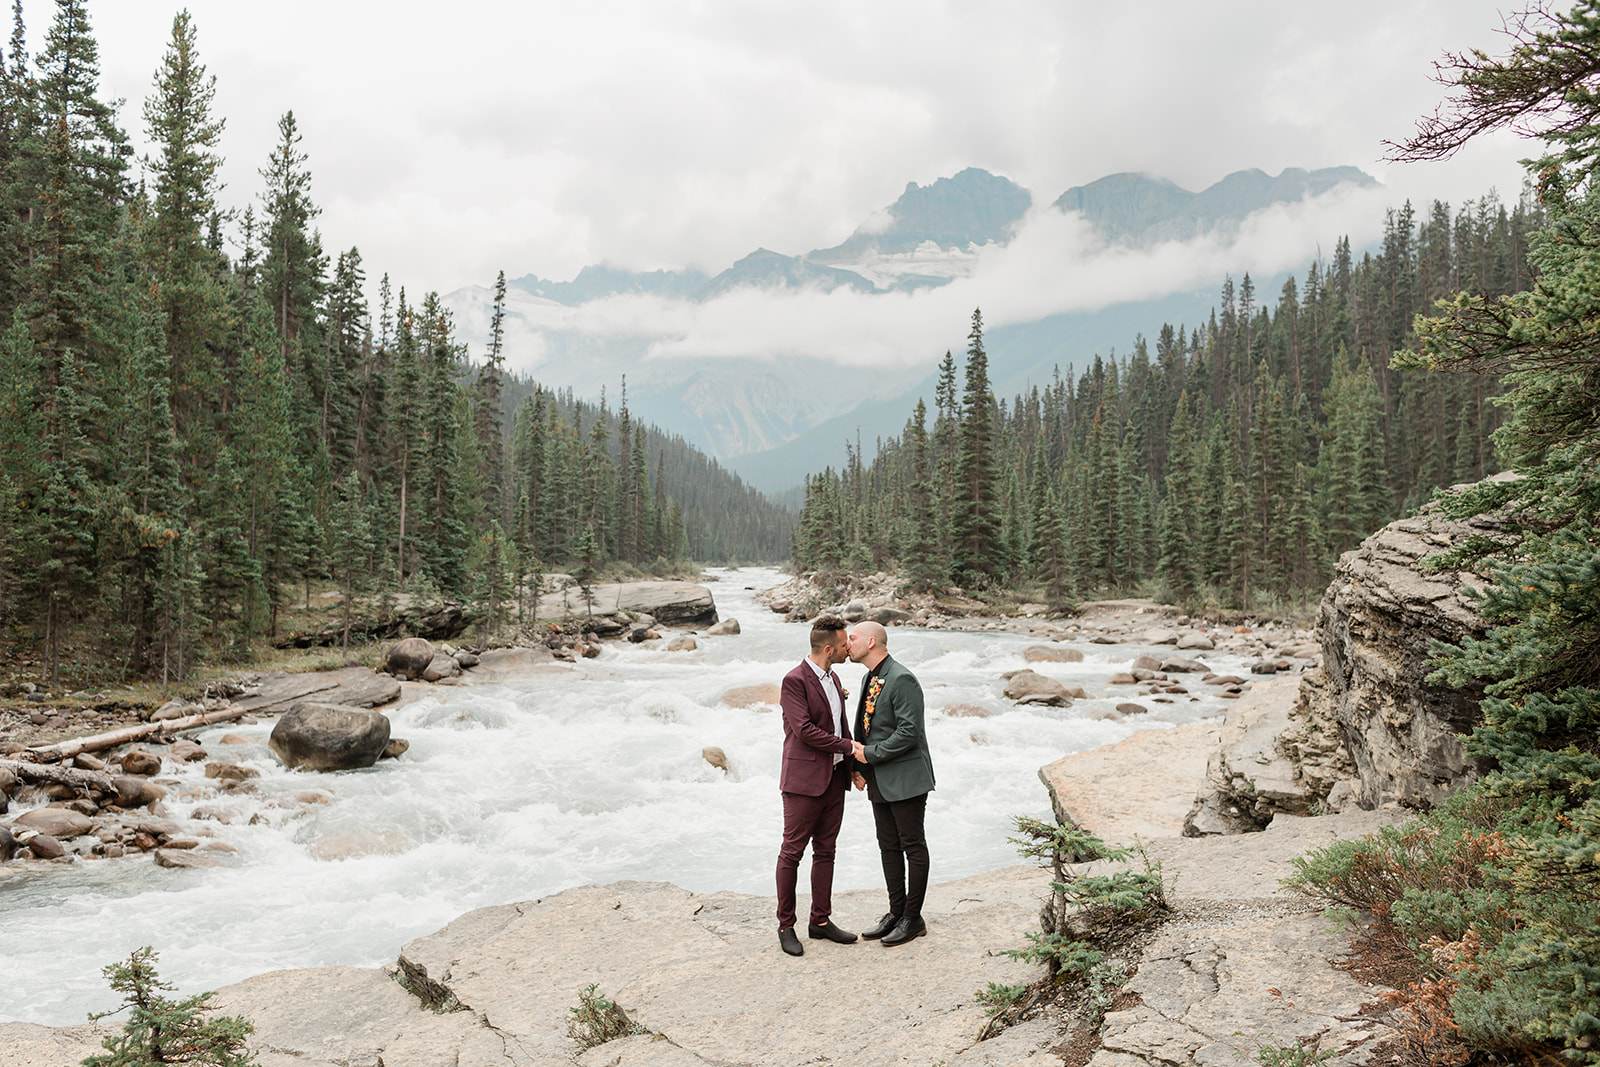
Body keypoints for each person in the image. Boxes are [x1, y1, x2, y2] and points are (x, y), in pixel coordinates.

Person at [774, 614, 859, 956]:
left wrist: (851, 766)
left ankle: (820, 922)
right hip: (803, 781)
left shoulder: (834, 677)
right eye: (843, 644)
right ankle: (786, 925)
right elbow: (804, 730)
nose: (847, 648)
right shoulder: (794, 681)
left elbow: (841, 725)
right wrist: (849, 748)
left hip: (835, 780)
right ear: (828, 648)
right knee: (792, 852)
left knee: (827, 851)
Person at [847, 620, 935, 947]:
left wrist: (871, 754)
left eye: (852, 638)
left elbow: (910, 732)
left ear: (871, 642)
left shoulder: (902, 678)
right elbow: (866, 727)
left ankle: (914, 918)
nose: (847, 643)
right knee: (888, 845)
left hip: (907, 777)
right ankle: (896, 912)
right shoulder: (869, 677)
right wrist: (858, 766)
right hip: (879, 777)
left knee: (913, 845)